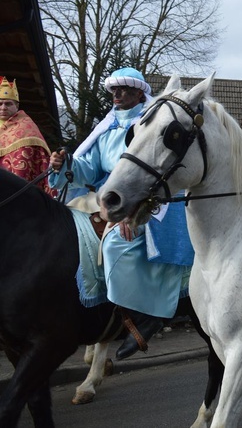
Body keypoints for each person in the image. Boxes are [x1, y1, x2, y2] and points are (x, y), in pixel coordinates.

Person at [48, 67, 194, 359]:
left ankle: (142, 314)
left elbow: (158, 171)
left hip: (148, 201)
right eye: (114, 90)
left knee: (115, 245)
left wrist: (133, 213)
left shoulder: (148, 123)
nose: (116, 94)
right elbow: (88, 169)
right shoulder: (107, 127)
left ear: (140, 93)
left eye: (124, 90)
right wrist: (64, 165)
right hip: (107, 198)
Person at [0, 76, 52, 189]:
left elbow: (25, 160)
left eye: (8, 104)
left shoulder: (26, 127)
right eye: (0, 104)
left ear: (17, 106)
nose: (3, 108)